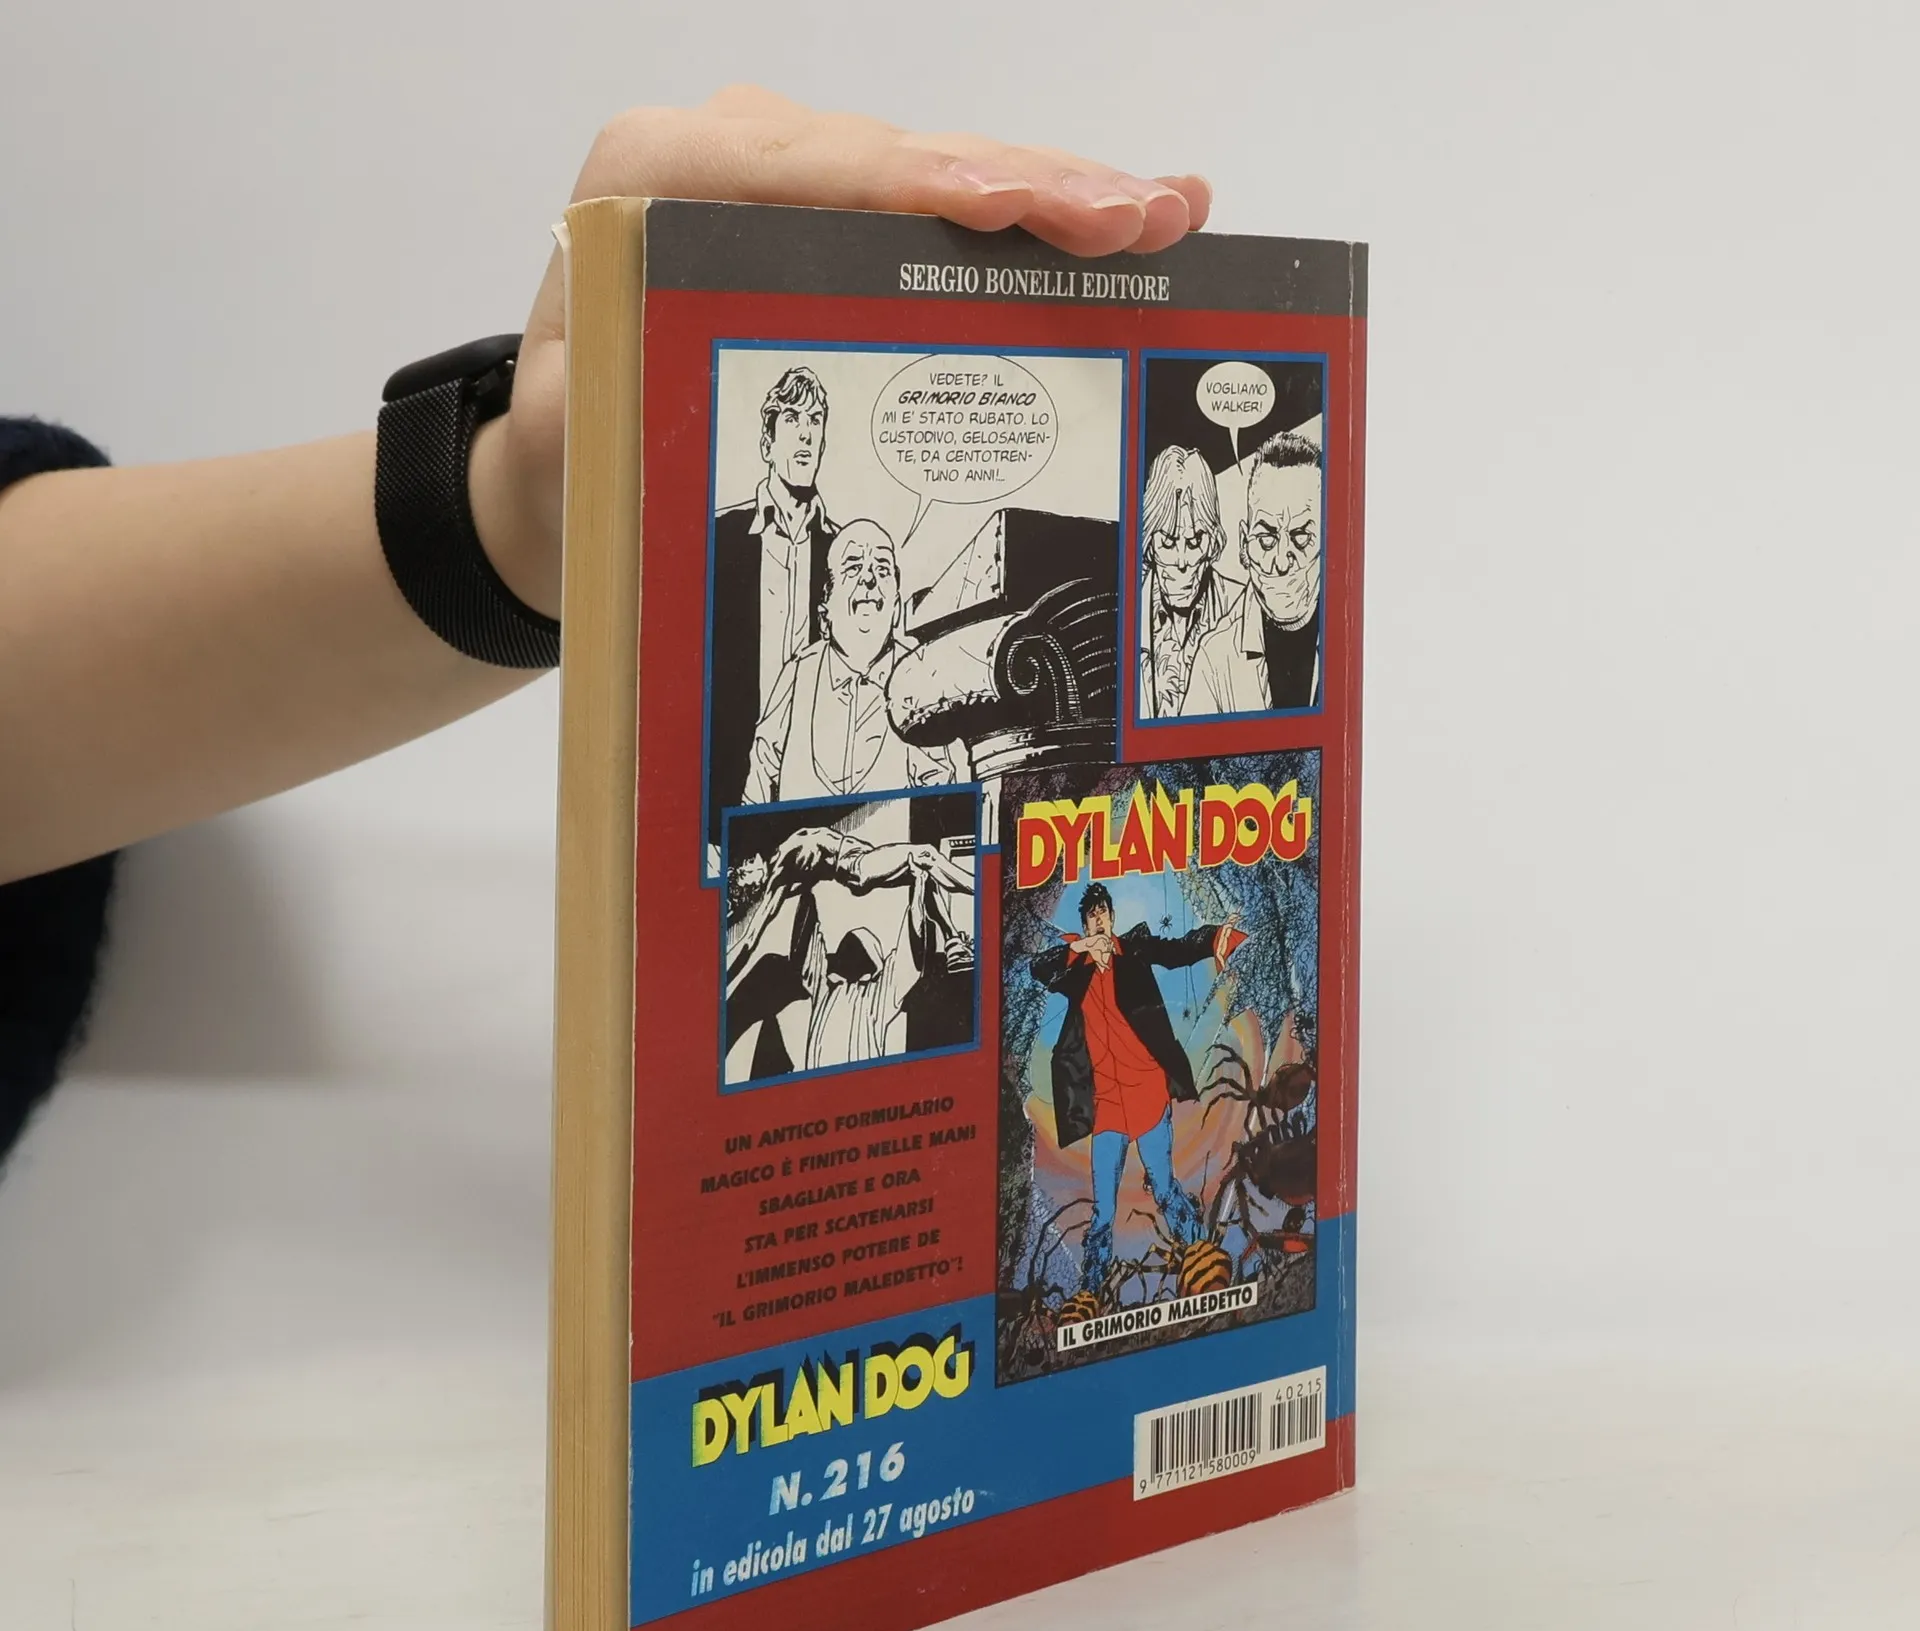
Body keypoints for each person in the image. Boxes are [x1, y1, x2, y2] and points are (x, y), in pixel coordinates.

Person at [0, 89, 1211, 1163]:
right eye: (857, 578)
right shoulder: (767, 619)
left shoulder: (910, 685)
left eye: (882, 582)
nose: (870, 594)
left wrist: (525, 505)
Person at [1030, 882, 1248, 1297]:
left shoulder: (1134, 950)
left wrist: (1217, 938)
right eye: (1091, 915)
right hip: (1106, 1106)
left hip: (1147, 1093)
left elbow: (1177, 949)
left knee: (1164, 1186)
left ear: (1112, 918)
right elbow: (1037, 968)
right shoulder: (1074, 971)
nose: (1098, 920)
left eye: (1103, 913)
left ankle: (1200, 1251)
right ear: (1085, 924)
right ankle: (1092, 1290)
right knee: (1103, 1209)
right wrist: (1081, 950)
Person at [723, 823, 975, 1081]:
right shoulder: (842, 991)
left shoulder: (870, 994)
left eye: (747, 880)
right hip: (857, 868)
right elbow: (789, 939)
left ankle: (959, 928)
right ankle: (957, 932)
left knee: (926, 863)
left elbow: (908, 950)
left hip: (858, 866)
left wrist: (919, 891)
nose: (754, 886)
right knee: (926, 860)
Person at [707, 366, 838, 857]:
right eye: (792, 418)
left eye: (816, 420)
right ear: (767, 441)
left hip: (813, 791)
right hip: (724, 793)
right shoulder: (719, 539)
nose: (806, 432)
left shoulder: (843, 552)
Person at [742, 519, 956, 804]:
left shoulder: (916, 674)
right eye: (853, 567)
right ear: (824, 614)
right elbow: (757, 787)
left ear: (896, 608)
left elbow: (942, 796)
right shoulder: (798, 673)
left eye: (882, 569)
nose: (869, 579)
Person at [1181, 431, 1322, 715]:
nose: (1281, 561)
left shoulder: (1357, 634)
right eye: (1266, 539)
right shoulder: (1215, 659)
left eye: (1301, 537)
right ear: (1244, 542)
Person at [1137, 445, 1236, 719]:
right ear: (1150, 543)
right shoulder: (1124, 613)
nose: (1181, 561)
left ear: (1212, 542)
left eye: (1194, 542)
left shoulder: (1241, 608)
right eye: (1168, 543)